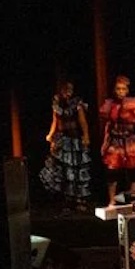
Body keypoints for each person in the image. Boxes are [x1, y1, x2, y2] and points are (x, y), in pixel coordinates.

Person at [99, 74, 135, 206]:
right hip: (116, 141)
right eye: (118, 89)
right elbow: (109, 125)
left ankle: (133, 198)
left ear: (127, 91)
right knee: (112, 171)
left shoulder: (131, 103)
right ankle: (112, 200)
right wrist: (105, 142)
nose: (121, 92)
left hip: (130, 141)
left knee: (133, 170)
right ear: (114, 90)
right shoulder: (110, 105)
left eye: (123, 89)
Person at [40, 80, 93, 209]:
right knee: (63, 169)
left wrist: (86, 135)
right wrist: (50, 135)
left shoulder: (77, 103)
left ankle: (79, 199)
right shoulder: (57, 104)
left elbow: (82, 121)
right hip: (63, 139)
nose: (67, 93)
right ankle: (66, 200)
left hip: (75, 139)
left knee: (76, 168)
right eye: (65, 90)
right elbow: (55, 121)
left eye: (69, 90)